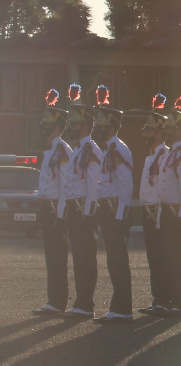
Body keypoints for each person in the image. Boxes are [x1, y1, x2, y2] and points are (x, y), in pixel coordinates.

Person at [92, 85, 135, 324]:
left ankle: (123, 308)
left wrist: (120, 216)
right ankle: (118, 307)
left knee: (118, 261)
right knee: (112, 260)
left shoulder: (119, 148)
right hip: (106, 210)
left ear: (111, 126)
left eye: (100, 125)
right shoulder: (107, 148)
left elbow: (126, 186)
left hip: (115, 211)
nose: (97, 128)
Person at [60, 85, 101, 320]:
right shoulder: (77, 150)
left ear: (86, 125)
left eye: (75, 124)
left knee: (86, 257)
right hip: (75, 210)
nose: (71, 128)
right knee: (78, 257)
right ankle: (80, 301)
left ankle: (86, 303)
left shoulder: (90, 149)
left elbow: (93, 185)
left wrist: (88, 212)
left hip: (84, 211)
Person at [33, 89, 73, 317]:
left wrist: (60, 215)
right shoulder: (51, 150)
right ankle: (53, 300)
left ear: (57, 126)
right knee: (51, 256)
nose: (43, 126)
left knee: (57, 257)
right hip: (46, 208)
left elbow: (65, 187)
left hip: (55, 210)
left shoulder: (62, 150)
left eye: (47, 123)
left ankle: (58, 302)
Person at [158, 93, 181, 317]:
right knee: (169, 258)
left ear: (180, 130)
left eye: (171, 128)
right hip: (168, 212)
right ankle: (172, 298)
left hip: (176, 214)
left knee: (180, 258)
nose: (166, 132)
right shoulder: (170, 153)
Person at [138, 94, 170, 317]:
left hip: (158, 214)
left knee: (163, 258)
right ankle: (157, 298)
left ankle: (166, 298)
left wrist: (158, 215)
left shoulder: (165, 156)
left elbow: (163, 188)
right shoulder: (150, 157)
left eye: (149, 131)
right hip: (147, 213)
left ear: (160, 133)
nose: (144, 134)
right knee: (153, 259)